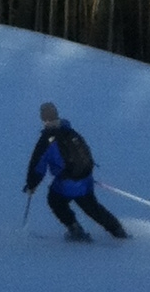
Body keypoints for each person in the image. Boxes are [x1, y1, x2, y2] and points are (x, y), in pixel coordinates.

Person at [24, 100, 128, 241]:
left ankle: (75, 229)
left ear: (43, 118)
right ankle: (118, 231)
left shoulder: (46, 140)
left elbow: (37, 166)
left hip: (67, 183)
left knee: (55, 200)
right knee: (92, 208)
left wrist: (31, 185)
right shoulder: (69, 130)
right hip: (85, 179)